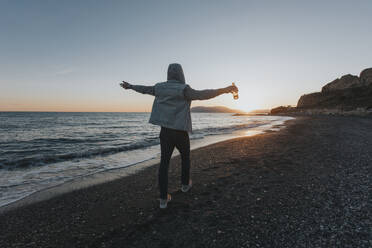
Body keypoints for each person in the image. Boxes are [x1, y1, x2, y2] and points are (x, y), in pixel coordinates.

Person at [120, 63, 238, 209]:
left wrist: (130, 86)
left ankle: (163, 199)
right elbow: (204, 94)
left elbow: (144, 89)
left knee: (164, 163)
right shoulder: (184, 89)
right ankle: (184, 186)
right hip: (181, 131)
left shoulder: (159, 88)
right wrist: (226, 90)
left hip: (166, 132)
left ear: (168, 74)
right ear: (181, 74)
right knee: (185, 158)